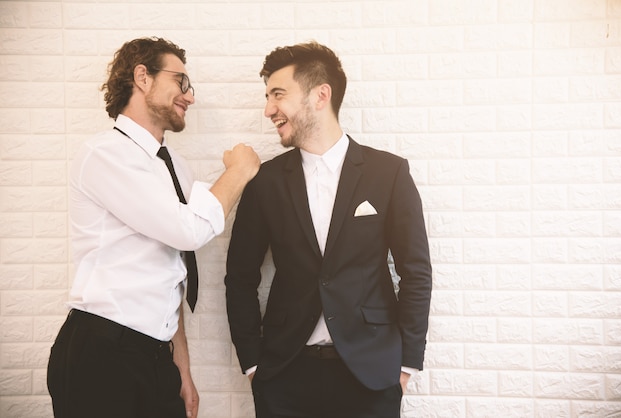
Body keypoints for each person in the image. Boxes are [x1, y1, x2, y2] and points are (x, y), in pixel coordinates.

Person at [47, 37, 260, 418]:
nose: (189, 96)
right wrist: (239, 171)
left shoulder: (175, 164)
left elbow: (171, 269)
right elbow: (189, 232)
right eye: (181, 81)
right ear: (142, 77)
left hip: (154, 354)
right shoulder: (105, 155)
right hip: (102, 353)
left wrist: (182, 368)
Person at [224, 41, 432, 418]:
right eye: (267, 96)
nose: (269, 108)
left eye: (278, 94)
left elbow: (415, 272)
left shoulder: (389, 173)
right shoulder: (265, 182)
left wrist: (406, 366)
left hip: (371, 375)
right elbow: (239, 277)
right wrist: (254, 365)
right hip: (284, 375)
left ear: (321, 95)